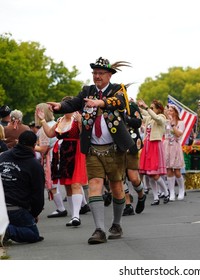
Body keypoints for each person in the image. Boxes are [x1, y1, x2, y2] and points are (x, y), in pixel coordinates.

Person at [46, 57, 136, 245]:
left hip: (114, 148)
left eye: (100, 73)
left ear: (109, 75)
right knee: (94, 183)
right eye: (94, 73)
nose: (97, 76)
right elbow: (74, 103)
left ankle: (117, 224)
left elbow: (118, 103)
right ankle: (99, 230)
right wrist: (60, 107)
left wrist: (100, 103)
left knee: (116, 187)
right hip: (93, 147)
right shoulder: (87, 91)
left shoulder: (118, 89)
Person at [36, 96, 88, 227]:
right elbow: (49, 134)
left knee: (75, 184)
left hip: (76, 152)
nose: (66, 109)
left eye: (68, 106)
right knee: (68, 186)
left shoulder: (78, 119)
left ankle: (76, 216)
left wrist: (81, 122)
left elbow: (84, 136)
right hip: (63, 154)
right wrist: (42, 120)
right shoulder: (60, 120)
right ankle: (73, 216)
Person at [0, 131, 45, 244]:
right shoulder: (34, 165)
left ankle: (5, 227)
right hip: (17, 208)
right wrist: (34, 214)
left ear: (18, 141)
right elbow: (38, 195)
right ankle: (6, 231)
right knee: (33, 234)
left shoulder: (3, 156)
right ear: (34, 146)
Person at [35, 103, 66, 218]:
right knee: (71, 183)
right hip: (61, 154)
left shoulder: (44, 129)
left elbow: (43, 148)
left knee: (51, 184)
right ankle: (82, 205)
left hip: (52, 158)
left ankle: (61, 208)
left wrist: (27, 146)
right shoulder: (55, 123)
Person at [137, 99, 169, 206]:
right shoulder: (149, 119)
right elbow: (145, 114)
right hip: (147, 145)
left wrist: (145, 107)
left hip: (155, 145)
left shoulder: (162, 118)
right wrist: (136, 106)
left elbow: (155, 117)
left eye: (152, 108)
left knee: (154, 174)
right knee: (149, 174)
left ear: (159, 109)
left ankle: (166, 192)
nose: (150, 110)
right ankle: (156, 197)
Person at [123, 99, 146, 216]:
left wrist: (125, 119)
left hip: (131, 144)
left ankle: (141, 196)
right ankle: (128, 205)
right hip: (116, 145)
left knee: (133, 178)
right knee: (119, 177)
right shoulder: (109, 107)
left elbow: (138, 122)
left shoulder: (131, 106)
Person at [164, 104, 186, 201]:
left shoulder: (181, 123)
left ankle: (181, 189)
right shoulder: (166, 122)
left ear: (176, 112)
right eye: (168, 111)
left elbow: (178, 134)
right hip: (167, 145)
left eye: (171, 111)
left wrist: (173, 125)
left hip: (176, 146)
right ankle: (171, 192)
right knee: (169, 170)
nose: (169, 112)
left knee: (177, 171)